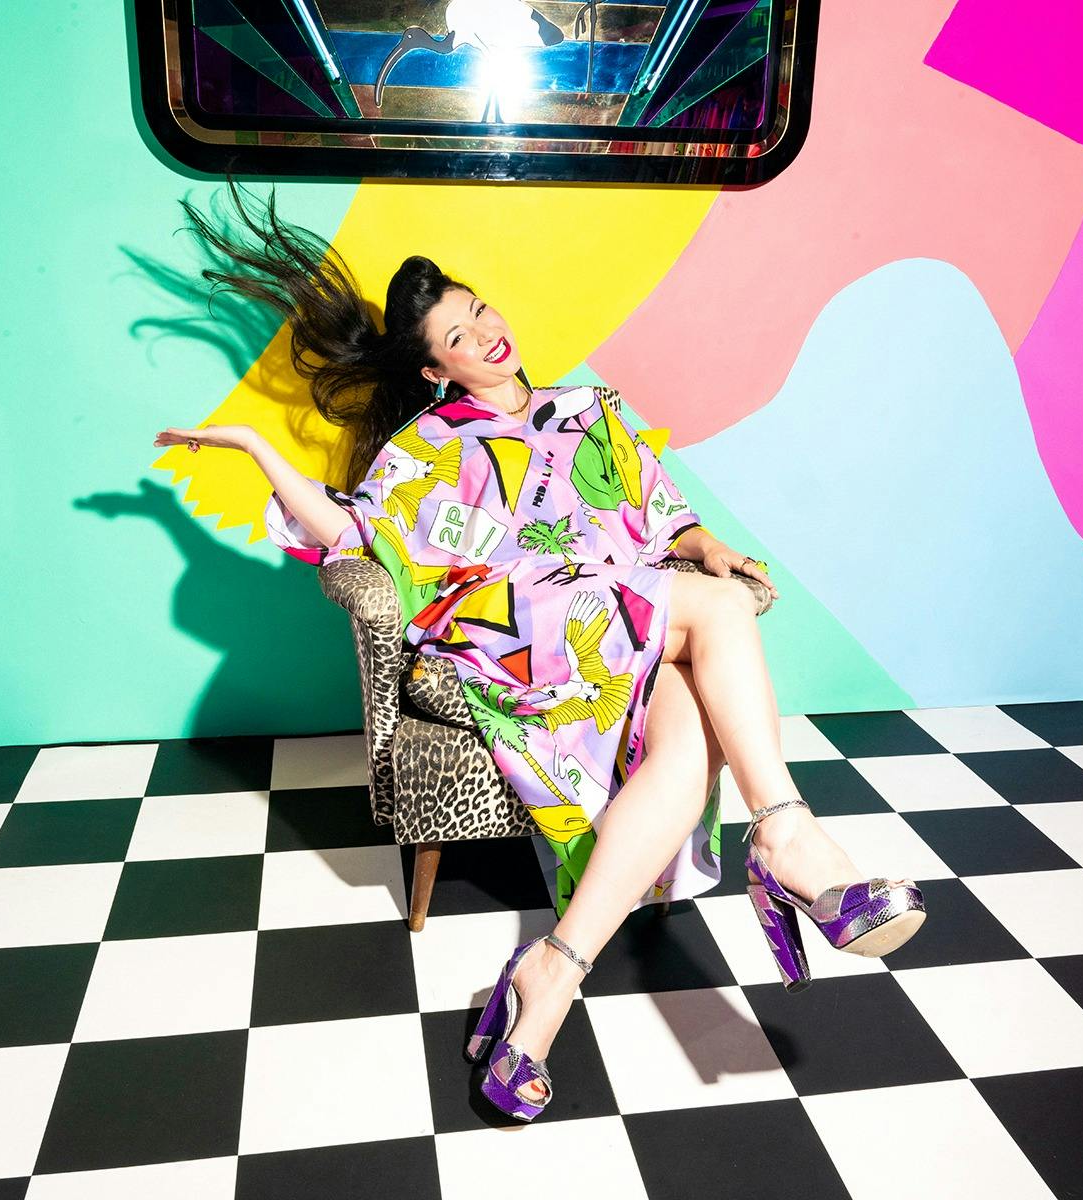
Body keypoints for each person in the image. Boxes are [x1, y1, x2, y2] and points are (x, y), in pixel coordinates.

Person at [154, 183, 926, 1123]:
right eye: (457, 336)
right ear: (435, 370)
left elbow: (660, 515)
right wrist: (251, 446)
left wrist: (707, 545)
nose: (486, 335)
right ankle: (787, 835)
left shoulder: (589, 408)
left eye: (481, 312)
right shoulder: (425, 447)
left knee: (691, 739)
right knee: (720, 613)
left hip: (630, 617)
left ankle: (549, 977)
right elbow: (350, 533)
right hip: (525, 627)